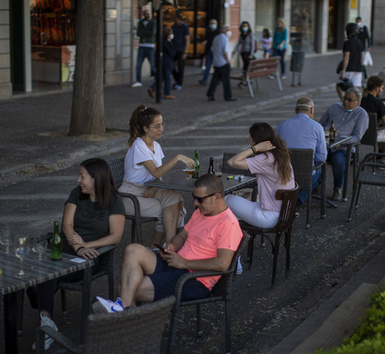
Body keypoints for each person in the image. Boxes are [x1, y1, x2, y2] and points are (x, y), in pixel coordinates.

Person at [105, 174, 243, 310]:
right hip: (177, 263)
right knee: (133, 249)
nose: (195, 203)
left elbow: (223, 264)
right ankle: (125, 314)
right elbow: (182, 236)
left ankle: (123, 316)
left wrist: (184, 263)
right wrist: (171, 247)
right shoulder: (200, 213)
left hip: (195, 279)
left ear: (217, 197)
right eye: (194, 198)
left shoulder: (228, 224)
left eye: (199, 199)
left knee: (125, 288)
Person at [30, 158, 125, 349]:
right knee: (31, 271)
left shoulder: (114, 201)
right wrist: (77, 246)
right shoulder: (77, 194)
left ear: (96, 179)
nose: (78, 180)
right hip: (65, 250)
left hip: (88, 258)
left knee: (47, 274)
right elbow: (67, 225)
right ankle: (46, 320)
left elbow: (115, 237)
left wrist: (87, 245)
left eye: (82, 176)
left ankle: (46, 322)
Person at [119, 105, 195, 249]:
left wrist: (154, 187)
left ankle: (166, 246)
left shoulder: (156, 146)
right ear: (145, 128)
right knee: (170, 209)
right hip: (130, 196)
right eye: (157, 126)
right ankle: (163, 247)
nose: (161, 129)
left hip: (146, 190)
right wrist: (177, 158)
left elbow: (158, 173)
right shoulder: (138, 145)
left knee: (175, 198)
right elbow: (156, 172)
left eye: (162, 125)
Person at [225, 122, 295, 228]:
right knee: (230, 212)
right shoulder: (281, 155)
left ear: (255, 140)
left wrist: (255, 148)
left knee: (226, 200)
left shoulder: (265, 159)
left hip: (269, 217)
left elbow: (232, 162)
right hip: (283, 214)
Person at [319, 87, 369, 200]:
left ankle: (337, 187)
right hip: (325, 144)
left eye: (350, 100)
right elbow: (320, 124)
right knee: (310, 155)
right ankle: (316, 182)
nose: (345, 101)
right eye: (344, 98)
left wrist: (341, 142)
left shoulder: (361, 114)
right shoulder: (334, 106)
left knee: (338, 160)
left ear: (358, 103)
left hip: (343, 148)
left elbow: (357, 137)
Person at [276, 97, 327, 204]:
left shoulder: (282, 124)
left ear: (295, 110)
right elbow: (321, 157)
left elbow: (275, 148)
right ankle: (297, 201)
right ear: (312, 110)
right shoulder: (317, 127)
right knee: (317, 173)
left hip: (284, 171)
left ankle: (292, 199)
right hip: (305, 172)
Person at [360, 76, 385, 168]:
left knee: (382, 129)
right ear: (377, 88)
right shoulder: (378, 102)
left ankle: (382, 154)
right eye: (382, 88)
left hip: (360, 133)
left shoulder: (361, 100)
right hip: (372, 134)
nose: (382, 90)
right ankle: (384, 161)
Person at [207, 25, 237, 101]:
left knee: (215, 79)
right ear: (224, 31)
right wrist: (227, 61)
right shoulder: (224, 39)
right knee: (226, 80)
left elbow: (212, 49)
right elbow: (225, 52)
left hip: (216, 62)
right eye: (228, 30)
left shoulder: (216, 38)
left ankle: (210, 94)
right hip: (223, 62)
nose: (229, 31)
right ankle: (228, 96)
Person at [148, 27, 176, 99]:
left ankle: (153, 88)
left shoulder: (161, 41)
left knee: (162, 77)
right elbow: (172, 53)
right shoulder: (167, 42)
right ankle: (166, 93)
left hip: (162, 62)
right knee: (167, 78)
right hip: (167, 63)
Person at [338, 23, 364, 99]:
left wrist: (343, 71)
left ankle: (345, 103)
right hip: (358, 69)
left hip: (348, 69)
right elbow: (362, 57)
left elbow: (346, 57)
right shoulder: (360, 43)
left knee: (340, 87)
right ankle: (355, 105)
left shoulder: (347, 43)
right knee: (355, 90)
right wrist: (360, 65)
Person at [132, 9, 156, 87]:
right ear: (144, 14)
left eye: (149, 14)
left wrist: (143, 32)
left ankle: (157, 79)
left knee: (153, 64)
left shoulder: (153, 22)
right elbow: (138, 33)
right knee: (138, 65)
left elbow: (152, 33)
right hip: (142, 45)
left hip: (150, 46)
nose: (148, 15)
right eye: (146, 14)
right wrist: (145, 32)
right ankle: (138, 80)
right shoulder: (140, 22)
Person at [171, 13, 190, 90]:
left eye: (175, 18)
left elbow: (187, 39)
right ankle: (177, 79)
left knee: (181, 67)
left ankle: (179, 83)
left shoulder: (185, 27)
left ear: (178, 18)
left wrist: (185, 51)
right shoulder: (173, 26)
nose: (173, 19)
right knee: (171, 65)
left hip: (181, 50)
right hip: (174, 49)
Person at [198, 19, 220, 86]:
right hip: (209, 51)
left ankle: (218, 80)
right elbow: (207, 41)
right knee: (207, 66)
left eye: (213, 23)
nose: (212, 25)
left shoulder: (218, 32)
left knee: (217, 66)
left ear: (216, 24)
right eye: (211, 23)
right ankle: (205, 80)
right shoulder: (208, 32)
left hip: (216, 51)